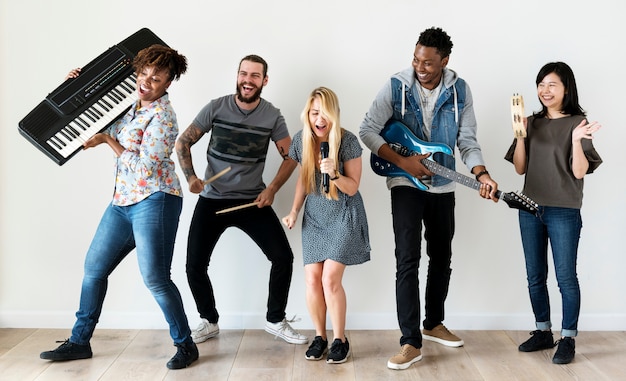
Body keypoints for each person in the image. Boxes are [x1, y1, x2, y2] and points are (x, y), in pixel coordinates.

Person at [40, 45, 198, 369]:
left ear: (168, 83)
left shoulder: (164, 118)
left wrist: (108, 142)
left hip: (156, 199)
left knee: (155, 278)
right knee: (93, 269)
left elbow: (143, 170)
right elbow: (88, 117)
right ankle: (79, 342)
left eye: (156, 78)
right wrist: (73, 86)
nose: (147, 82)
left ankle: (186, 345)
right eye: (143, 74)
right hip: (122, 201)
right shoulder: (129, 103)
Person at [359, 27, 499, 370]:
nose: (420, 67)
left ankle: (433, 322)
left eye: (429, 63)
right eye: (416, 59)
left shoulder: (460, 90)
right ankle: (410, 342)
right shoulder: (395, 86)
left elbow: (467, 139)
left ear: (444, 61)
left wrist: (481, 174)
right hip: (404, 182)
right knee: (407, 259)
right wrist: (402, 161)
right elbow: (367, 130)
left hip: (444, 185)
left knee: (441, 257)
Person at [175, 54, 307, 345]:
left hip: (251, 202)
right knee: (194, 265)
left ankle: (275, 320)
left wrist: (271, 188)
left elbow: (292, 155)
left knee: (282, 257)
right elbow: (183, 142)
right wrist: (191, 178)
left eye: (255, 76)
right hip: (212, 201)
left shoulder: (272, 115)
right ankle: (209, 320)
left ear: (264, 81)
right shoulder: (216, 107)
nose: (248, 80)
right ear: (237, 76)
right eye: (244, 74)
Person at [505, 62, 602, 365]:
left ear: (566, 89)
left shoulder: (578, 123)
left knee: (565, 278)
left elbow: (578, 171)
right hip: (529, 208)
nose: (545, 91)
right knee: (535, 276)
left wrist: (575, 141)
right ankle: (543, 331)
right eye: (541, 84)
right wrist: (520, 133)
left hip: (564, 210)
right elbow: (521, 168)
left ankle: (568, 337)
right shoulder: (531, 122)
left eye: (552, 85)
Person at [282, 87, 371, 364]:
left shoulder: (348, 141)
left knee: (330, 279)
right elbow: (302, 181)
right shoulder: (301, 141)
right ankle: (320, 337)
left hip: (344, 213)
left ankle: (340, 339)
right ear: (307, 115)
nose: (319, 119)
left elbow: (353, 188)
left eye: (324, 113)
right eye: (314, 112)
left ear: (334, 114)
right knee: (312, 280)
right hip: (315, 216)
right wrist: (294, 211)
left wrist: (334, 174)